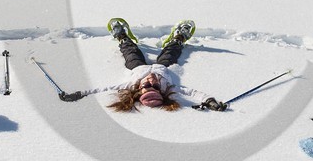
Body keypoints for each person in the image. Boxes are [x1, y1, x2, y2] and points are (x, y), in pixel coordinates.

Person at [52, 19, 227, 112]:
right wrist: (209, 101)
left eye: (147, 86)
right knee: (171, 53)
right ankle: (178, 38)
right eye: (155, 86)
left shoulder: (130, 84)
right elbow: (193, 93)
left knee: (130, 52)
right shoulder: (169, 85)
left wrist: (78, 94)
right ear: (161, 90)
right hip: (163, 67)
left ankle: (123, 37)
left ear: (139, 89)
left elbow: (101, 89)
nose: (150, 82)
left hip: (136, 68)